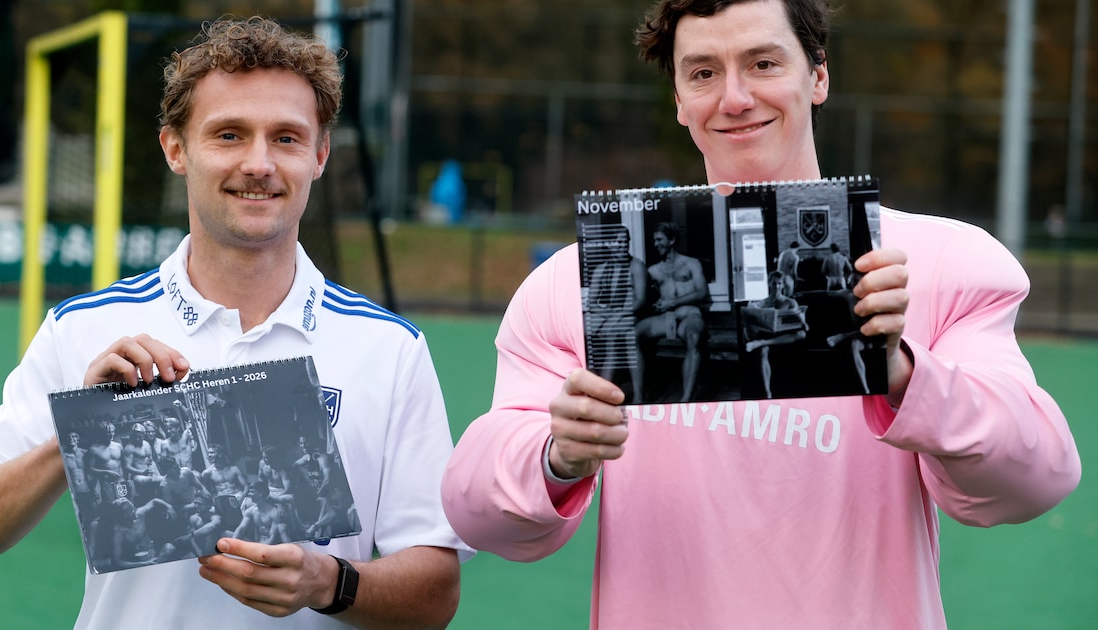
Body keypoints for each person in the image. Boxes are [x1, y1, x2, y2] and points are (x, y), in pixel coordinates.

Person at [440, 1, 1080, 628]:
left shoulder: (942, 262)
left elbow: (1036, 477)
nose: (735, 97)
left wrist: (906, 372)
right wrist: (554, 458)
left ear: (818, 76)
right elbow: (474, 510)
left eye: (764, 62)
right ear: (679, 101)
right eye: (703, 73)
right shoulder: (580, 282)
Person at [0, 16, 470, 628]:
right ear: (175, 149)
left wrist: (329, 582)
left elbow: (435, 592)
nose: (259, 163)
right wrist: (76, 435)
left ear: (320, 155)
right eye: (230, 135)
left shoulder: (389, 350)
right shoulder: (82, 327)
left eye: (286, 138)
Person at [635, 221, 709, 401]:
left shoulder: (692, 263)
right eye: (654, 240)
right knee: (631, 335)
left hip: (690, 315)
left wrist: (673, 302)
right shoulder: (653, 270)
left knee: (694, 339)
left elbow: (701, 292)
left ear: (672, 240)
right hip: (666, 319)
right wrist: (654, 305)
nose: (655, 244)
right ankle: (638, 397)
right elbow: (642, 295)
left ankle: (685, 399)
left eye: (659, 239)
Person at [584, 225, 648, 403]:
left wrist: (618, 315)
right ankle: (594, 388)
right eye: (618, 242)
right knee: (580, 332)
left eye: (625, 242)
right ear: (609, 244)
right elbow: (591, 302)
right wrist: (609, 315)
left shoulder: (636, 266)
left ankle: (637, 395)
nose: (622, 246)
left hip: (630, 313)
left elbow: (641, 300)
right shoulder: (601, 269)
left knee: (618, 337)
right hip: (610, 313)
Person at [743, 269, 808, 398]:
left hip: (785, 336)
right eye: (774, 284)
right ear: (769, 284)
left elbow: (805, 328)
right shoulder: (762, 303)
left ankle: (761, 343)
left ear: (783, 285)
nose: (777, 287)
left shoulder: (790, 302)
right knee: (763, 351)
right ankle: (768, 393)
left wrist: (802, 319)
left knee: (802, 334)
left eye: (779, 283)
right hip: (768, 334)